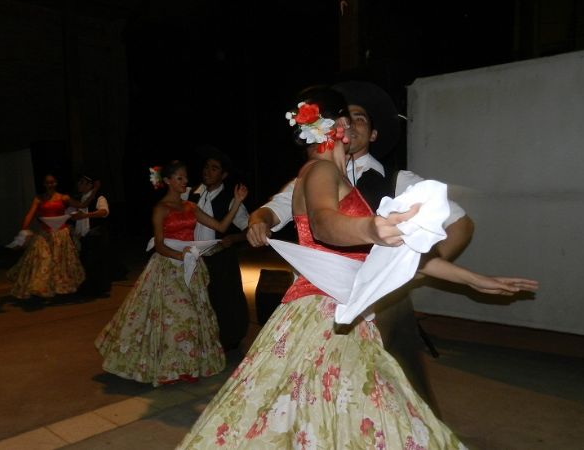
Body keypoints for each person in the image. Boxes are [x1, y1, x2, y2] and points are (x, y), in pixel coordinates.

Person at [177, 88, 537, 449]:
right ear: (338, 127)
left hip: (348, 310)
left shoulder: (345, 179)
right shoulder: (317, 170)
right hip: (322, 311)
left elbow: (396, 256)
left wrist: (473, 279)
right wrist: (372, 228)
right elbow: (323, 224)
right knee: (353, 406)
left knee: (339, 410)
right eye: (348, 117)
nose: (353, 124)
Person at [246, 80, 475, 408]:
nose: (349, 124)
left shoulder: (400, 181)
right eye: (344, 116)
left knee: (398, 396)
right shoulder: (311, 175)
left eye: (360, 118)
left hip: (383, 307)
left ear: (373, 134)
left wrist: (412, 272)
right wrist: (260, 220)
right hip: (319, 303)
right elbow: (276, 209)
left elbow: (461, 224)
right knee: (320, 400)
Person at [95, 160, 248, 386]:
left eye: (185, 178)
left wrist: (236, 203)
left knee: (194, 318)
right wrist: (181, 257)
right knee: (177, 317)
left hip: (191, 267)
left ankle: (184, 367)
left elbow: (221, 227)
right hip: (168, 268)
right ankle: (170, 367)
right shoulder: (160, 209)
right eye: (179, 178)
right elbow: (159, 245)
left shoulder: (190, 207)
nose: (185, 182)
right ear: (167, 181)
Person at [188, 147, 250, 352]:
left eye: (214, 168)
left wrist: (234, 237)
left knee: (224, 302)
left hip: (220, 260)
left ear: (223, 175)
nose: (208, 171)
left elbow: (249, 229)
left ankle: (227, 341)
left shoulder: (232, 200)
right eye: (206, 167)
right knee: (197, 300)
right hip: (194, 258)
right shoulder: (192, 195)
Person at [7, 173, 89, 298]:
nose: (50, 185)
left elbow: (82, 205)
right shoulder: (38, 199)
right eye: (48, 183)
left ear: (56, 183)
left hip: (61, 233)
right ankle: (41, 287)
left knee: (60, 261)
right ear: (44, 184)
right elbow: (30, 214)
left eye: (52, 182)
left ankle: (58, 286)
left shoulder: (63, 197)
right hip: (45, 233)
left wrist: (94, 191)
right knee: (42, 259)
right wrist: (23, 229)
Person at [72, 172, 113, 297]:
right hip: (84, 237)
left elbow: (103, 212)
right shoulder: (79, 200)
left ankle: (99, 290)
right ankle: (88, 289)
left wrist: (85, 215)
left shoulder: (99, 198)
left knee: (97, 263)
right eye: (79, 182)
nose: (79, 185)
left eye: (82, 182)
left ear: (90, 185)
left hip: (96, 235)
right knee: (86, 263)